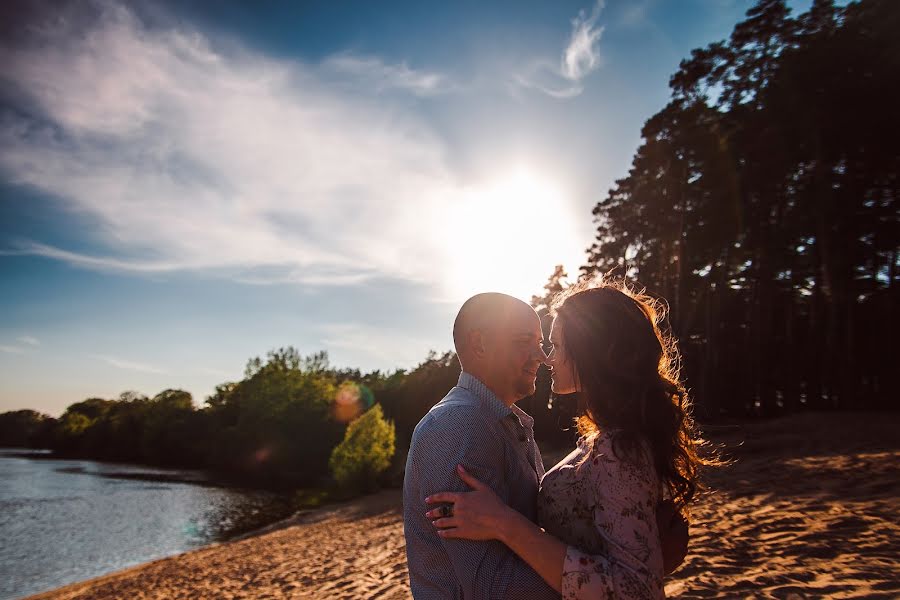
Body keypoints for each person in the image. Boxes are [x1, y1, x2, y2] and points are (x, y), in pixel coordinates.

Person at [425, 282, 703, 599]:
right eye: (530, 343)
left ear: (590, 350)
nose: (546, 358)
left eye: (554, 345)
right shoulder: (602, 440)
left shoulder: (618, 450)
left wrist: (505, 523)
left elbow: (639, 590)